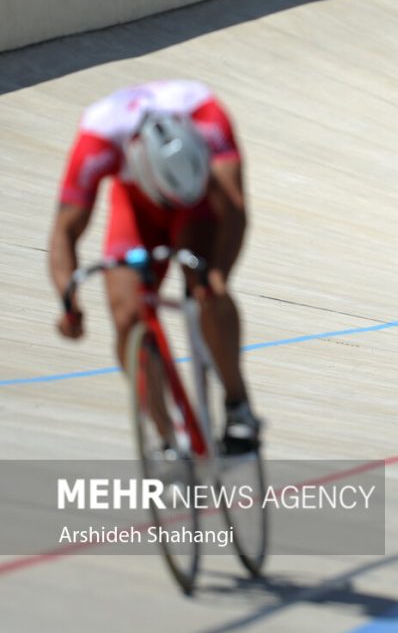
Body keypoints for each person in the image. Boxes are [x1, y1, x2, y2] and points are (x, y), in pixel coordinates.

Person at [47, 79, 261, 453]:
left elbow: (236, 211)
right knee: (128, 317)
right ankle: (167, 438)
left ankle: (237, 405)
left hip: (199, 205)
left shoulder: (207, 116)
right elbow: (64, 231)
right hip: (136, 209)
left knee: (208, 289)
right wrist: (68, 300)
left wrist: (218, 277)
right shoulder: (99, 137)